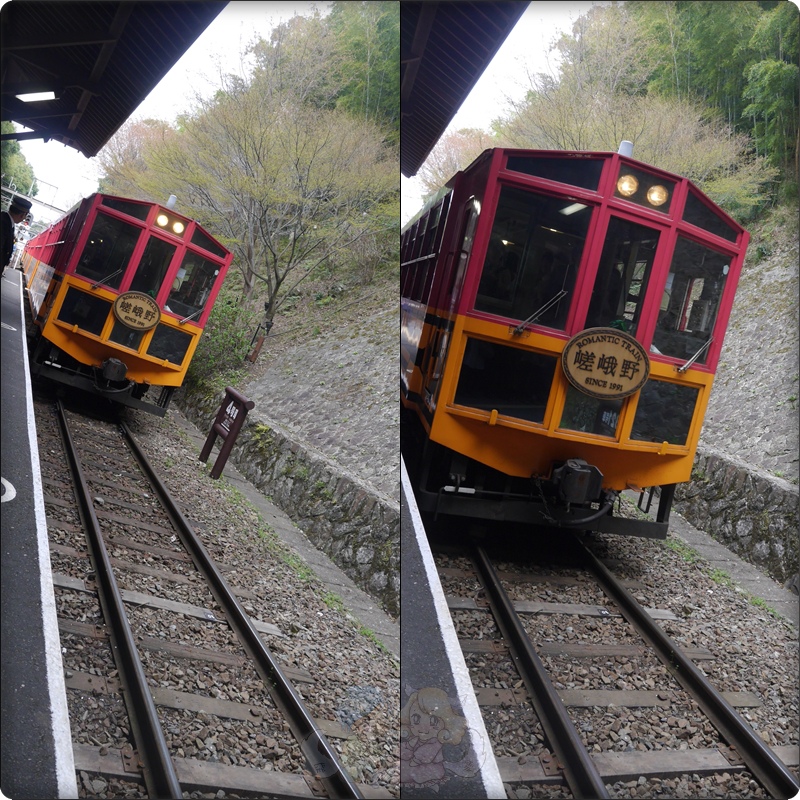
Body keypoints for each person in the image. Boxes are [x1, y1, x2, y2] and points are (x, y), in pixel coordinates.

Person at [2, 195, 32, 276]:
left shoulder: (6, 222)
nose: (24, 218)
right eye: (25, 216)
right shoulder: (4, 224)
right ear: (22, 215)